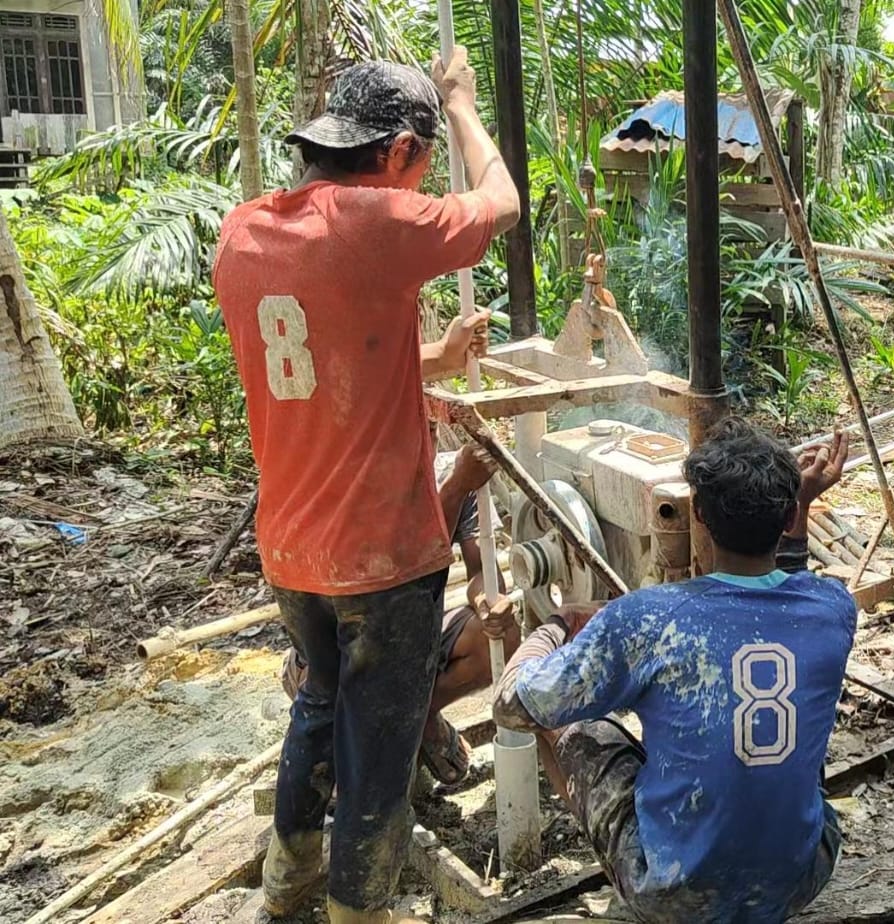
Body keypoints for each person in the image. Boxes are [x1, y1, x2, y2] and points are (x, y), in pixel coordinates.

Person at [213, 47, 520, 923]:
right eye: (418, 162)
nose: (418, 181)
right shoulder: (378, 222)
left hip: (292, 547)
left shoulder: (244, 233)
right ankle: (359, 909)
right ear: (394, 154)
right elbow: (499, 201)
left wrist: (434, 357)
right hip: (379, 554)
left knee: (319, 696)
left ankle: (289, 877)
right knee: (377, 748)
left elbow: (311, 358)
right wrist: (460, 103)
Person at [491, 420, 856, 923]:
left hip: (674, 894)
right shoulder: (834, 609)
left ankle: (644, 889)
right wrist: (800, 506)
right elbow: (788, 589)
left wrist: (557, 625)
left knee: (576, 721)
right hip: (799, 877)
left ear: (699, 515)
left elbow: (514, 706)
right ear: (791, 512)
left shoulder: (649, 618)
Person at [278, 448, 518, 788]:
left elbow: (483, 570)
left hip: (415, 639)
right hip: (346, 646)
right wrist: (453, 489)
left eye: (431, 426)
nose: (425, 434)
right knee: (337, 697)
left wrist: (487, 602)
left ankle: (414, 721)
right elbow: (398, 575)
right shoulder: (357, 475)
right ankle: (405, 727)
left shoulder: (460, 474)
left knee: (499, 637)